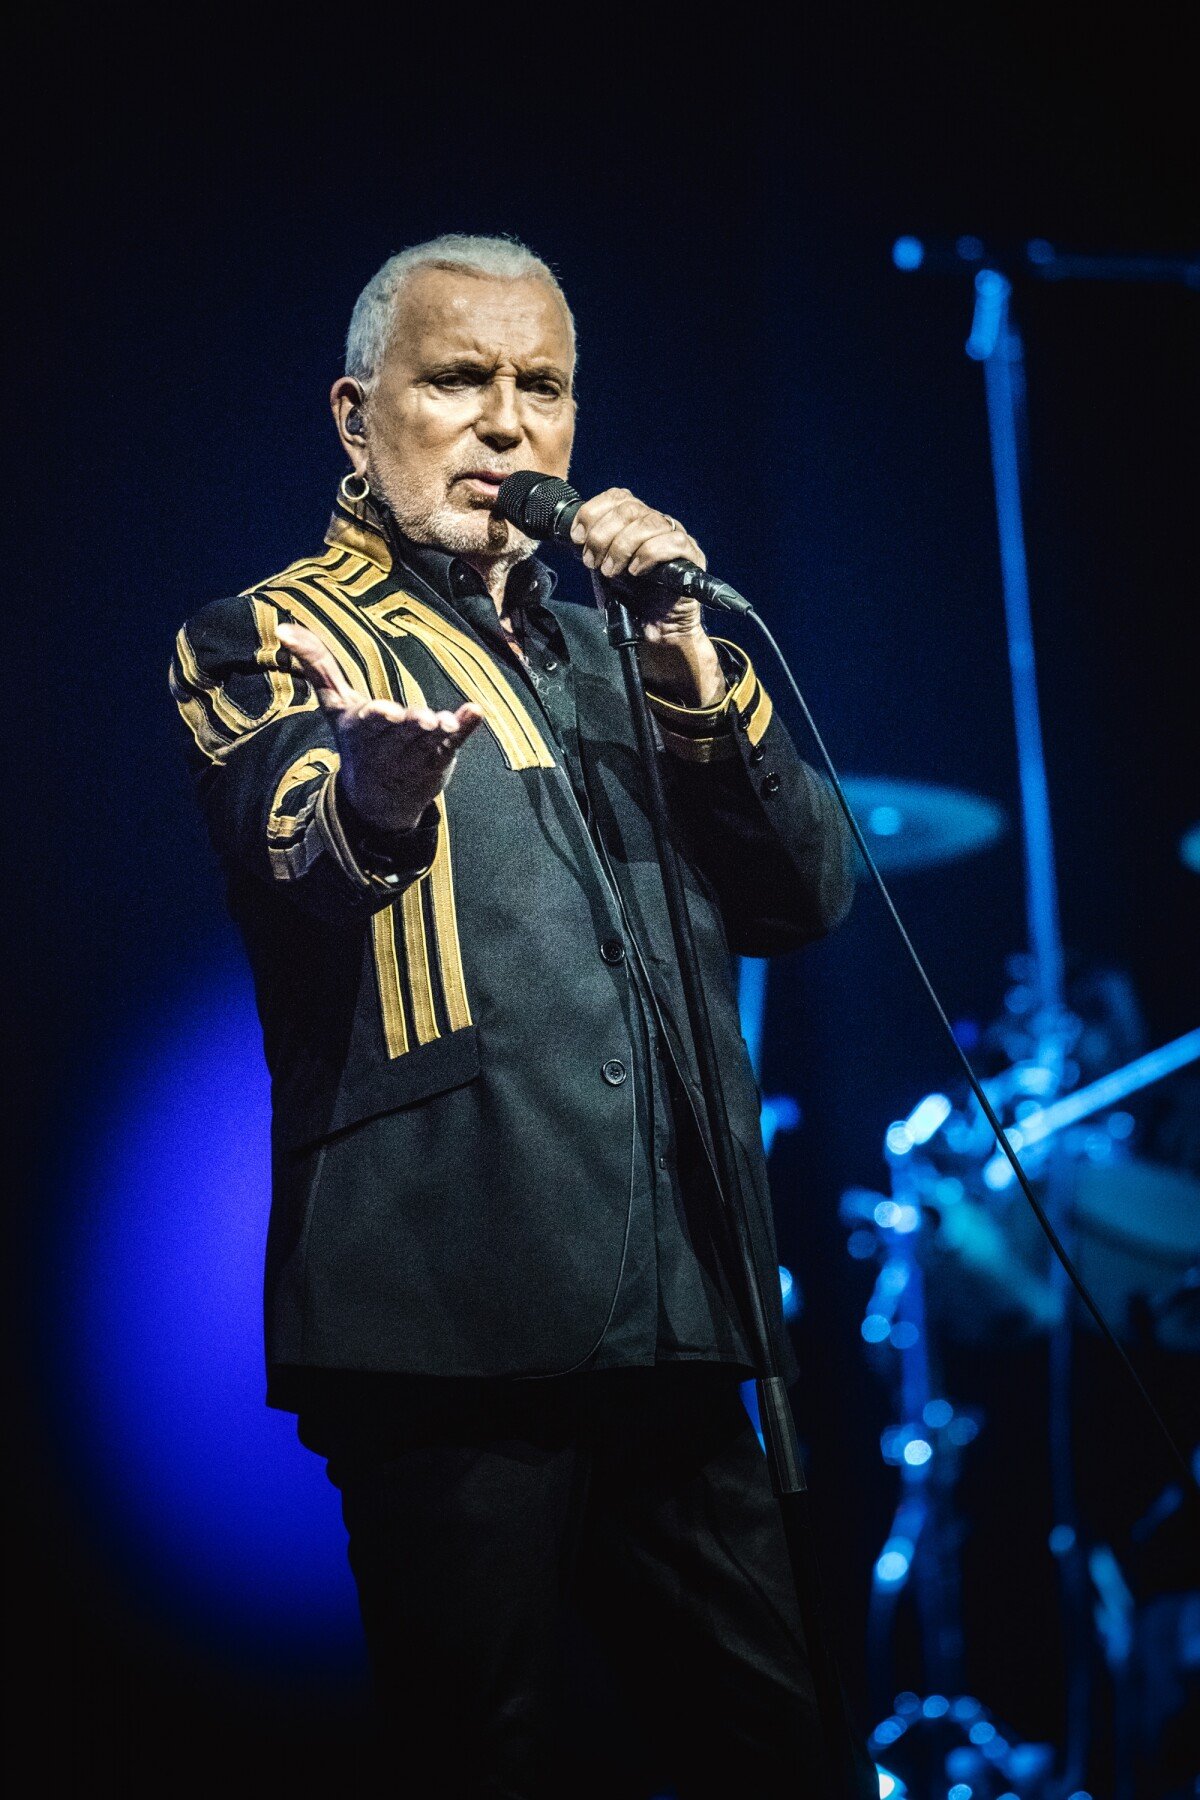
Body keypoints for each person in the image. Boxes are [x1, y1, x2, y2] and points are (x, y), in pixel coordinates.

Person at [170, 234, 872, 1797]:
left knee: (789, 1755)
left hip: (682, 1313)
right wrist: (369, 794)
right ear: (359, 420)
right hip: (445, 1317)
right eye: (459, 381)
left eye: (541, 387)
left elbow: (810, 893)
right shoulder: (267, 630)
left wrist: (691, 664)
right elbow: (287, 838)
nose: (506, 424)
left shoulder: (628, 648)